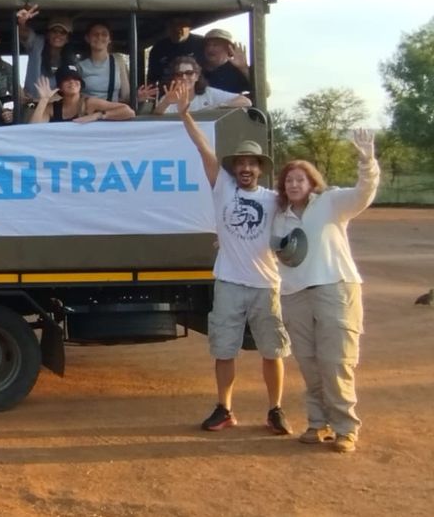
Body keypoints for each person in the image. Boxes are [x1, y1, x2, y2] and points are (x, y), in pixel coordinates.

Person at [175, 80, 293, 435]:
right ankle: (224, 408)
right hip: (228, 282)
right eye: (240, 162)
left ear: (260, 168)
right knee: (224, 350)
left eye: (251, 163)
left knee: (272, 351)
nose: (245, 168)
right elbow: (202, 147)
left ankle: (275, 409)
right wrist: (184, 115)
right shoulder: (222, 186)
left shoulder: (274, 199)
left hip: (265, 284)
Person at [272, 131, 379, 453]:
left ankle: (346, 428)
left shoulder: (332, 203)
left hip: (334, 288)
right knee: (308, 362)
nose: (293, 184)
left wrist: (366, 160)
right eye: (289, 180)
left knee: (336, 362)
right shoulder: (279, 217)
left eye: (300, 179)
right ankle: (318, 423)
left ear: (311, 182)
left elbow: (364, 193)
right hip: (295, 295)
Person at [27, 66, 134, 124]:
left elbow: (129, 112)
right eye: (67, 79)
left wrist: (98, 115)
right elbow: (34, 128)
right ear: (59, 86)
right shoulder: (51, 108)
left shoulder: (90, 103)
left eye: (75, 79)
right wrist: (44, 100)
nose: (72, 82)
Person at [149, 56, 251, 114]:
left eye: (189, 73)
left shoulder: (209, 93)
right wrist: (166, 102)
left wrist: (218, 106)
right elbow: (156, 117)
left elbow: (246, 102)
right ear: (174, 78)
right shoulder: (169, 96)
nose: (184, 77)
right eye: (179, 74)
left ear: (197, 76)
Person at [16, 4, 78, 97]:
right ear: (48, 34)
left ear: (68, 38)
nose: (58, 35)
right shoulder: (38, 44)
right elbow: (23, 33)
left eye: (63, 32)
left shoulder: (73, 60)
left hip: (59, 107)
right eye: (54, 30)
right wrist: (21, 23)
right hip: (33, 103)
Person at [76, 21, 130, 103]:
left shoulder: (118, 60)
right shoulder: (80, 65)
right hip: (88, 112)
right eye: (95, 34)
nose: (99, 37)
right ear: (87, 38)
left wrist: (138, 97)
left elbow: (126, 96)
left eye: (104, 34)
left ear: (109, 39)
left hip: (113, 112)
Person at [146, 15, 206, 88]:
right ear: (167, 27)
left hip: (198, 91)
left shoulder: (201, 43)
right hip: (168, 92)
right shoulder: (159, 47)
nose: (177, 29)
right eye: (172, 25)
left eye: (181, 24)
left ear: (189, 26)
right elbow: (152, 78)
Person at [201, 28, 252, 95]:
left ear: (228, 48)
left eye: (215, 45)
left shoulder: (237, 69)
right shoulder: (196, 68)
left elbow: (265, 92)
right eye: (207, 45)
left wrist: (244, 68)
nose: (210, 48)